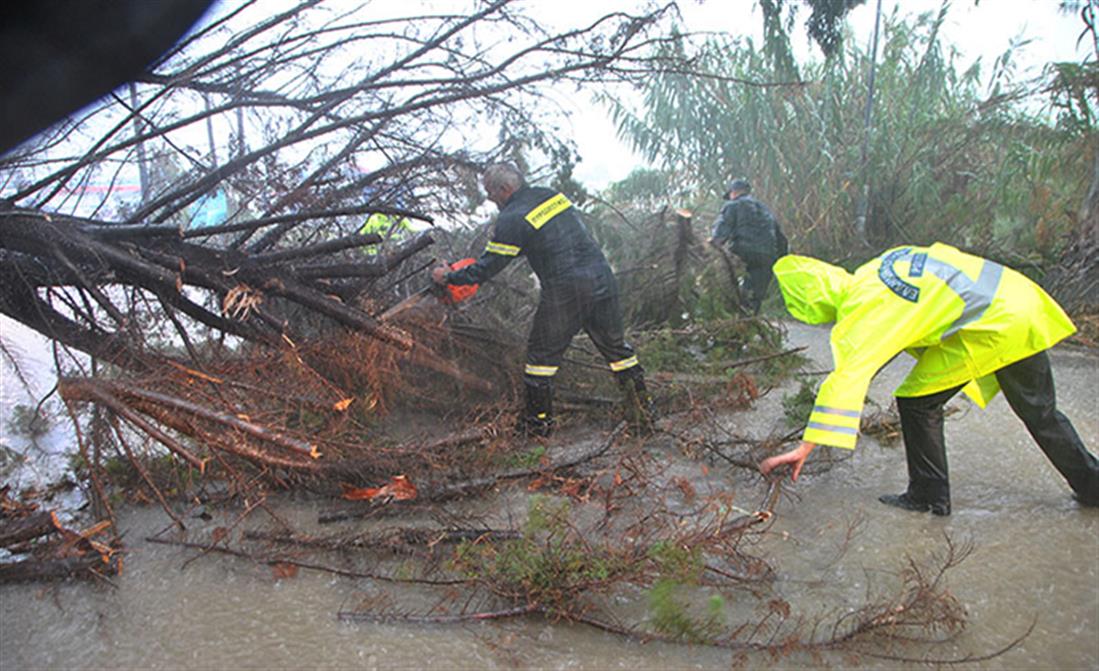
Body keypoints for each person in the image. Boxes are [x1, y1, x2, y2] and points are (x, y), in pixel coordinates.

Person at [758, 242, 1099, 515]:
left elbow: (850, 375)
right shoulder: (884, 261)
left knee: (917, 401)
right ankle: (1093, 487)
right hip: (1018, 300)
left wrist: (806, 446)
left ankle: (928, 496)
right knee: (1042, 414)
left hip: (992, 324)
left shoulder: (861, 307)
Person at [433, 163, 652, 437]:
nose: (490, 198)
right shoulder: (550, 196)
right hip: (602, 279)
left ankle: (537, 427)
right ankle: (643, 415)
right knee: (618, 352)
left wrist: (449, 277)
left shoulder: (512, 217)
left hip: (567, 289)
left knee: (541, 358)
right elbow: (550, 238)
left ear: (505, 189)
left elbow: (490, 266)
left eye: (491, 192)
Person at [709, 178, 787, 314]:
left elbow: (721, 233)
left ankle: (731, 319)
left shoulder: (732, 206)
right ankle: (749, 321)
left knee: (729, 287)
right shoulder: (765, 210)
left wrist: (710, 249)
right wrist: (781, 258)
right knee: (755, 295)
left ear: (733, 193)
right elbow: (780, 239)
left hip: (742, 252)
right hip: (767, 255)